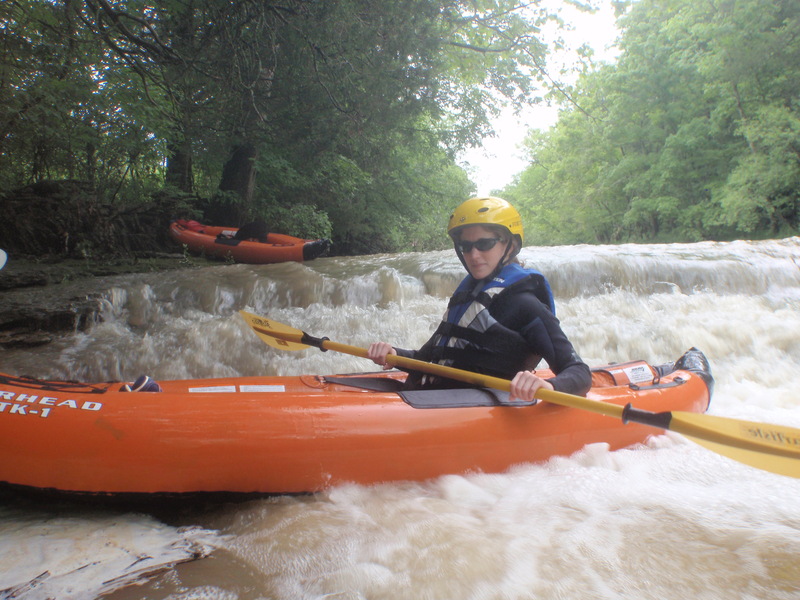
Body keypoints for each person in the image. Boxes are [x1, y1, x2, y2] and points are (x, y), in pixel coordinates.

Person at [367, 196, 591, 402]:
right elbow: (429, 360)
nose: (474, 255)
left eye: (485, 244)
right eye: (465, 246)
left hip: (474, 413)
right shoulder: (467, 298)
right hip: (429, 399)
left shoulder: (526, 305)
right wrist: (395, 355)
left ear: (510, 245)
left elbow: (578, 372)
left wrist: (548, 386)